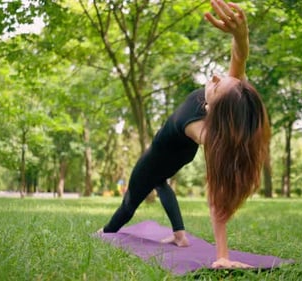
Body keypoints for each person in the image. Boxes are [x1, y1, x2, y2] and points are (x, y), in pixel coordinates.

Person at [98, 0, 270, 269]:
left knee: (131, 200)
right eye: (221, 78)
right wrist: (241, 37)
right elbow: (239, 60)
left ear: (214, 109)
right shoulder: (231, 99)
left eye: (217, 84)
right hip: (178, 156)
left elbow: (218, 189)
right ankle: (179, 234)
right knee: (162, 183)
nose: (215, 77)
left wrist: (222, 255)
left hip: (154, 159)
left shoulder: (205, 132)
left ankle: (106, 231)